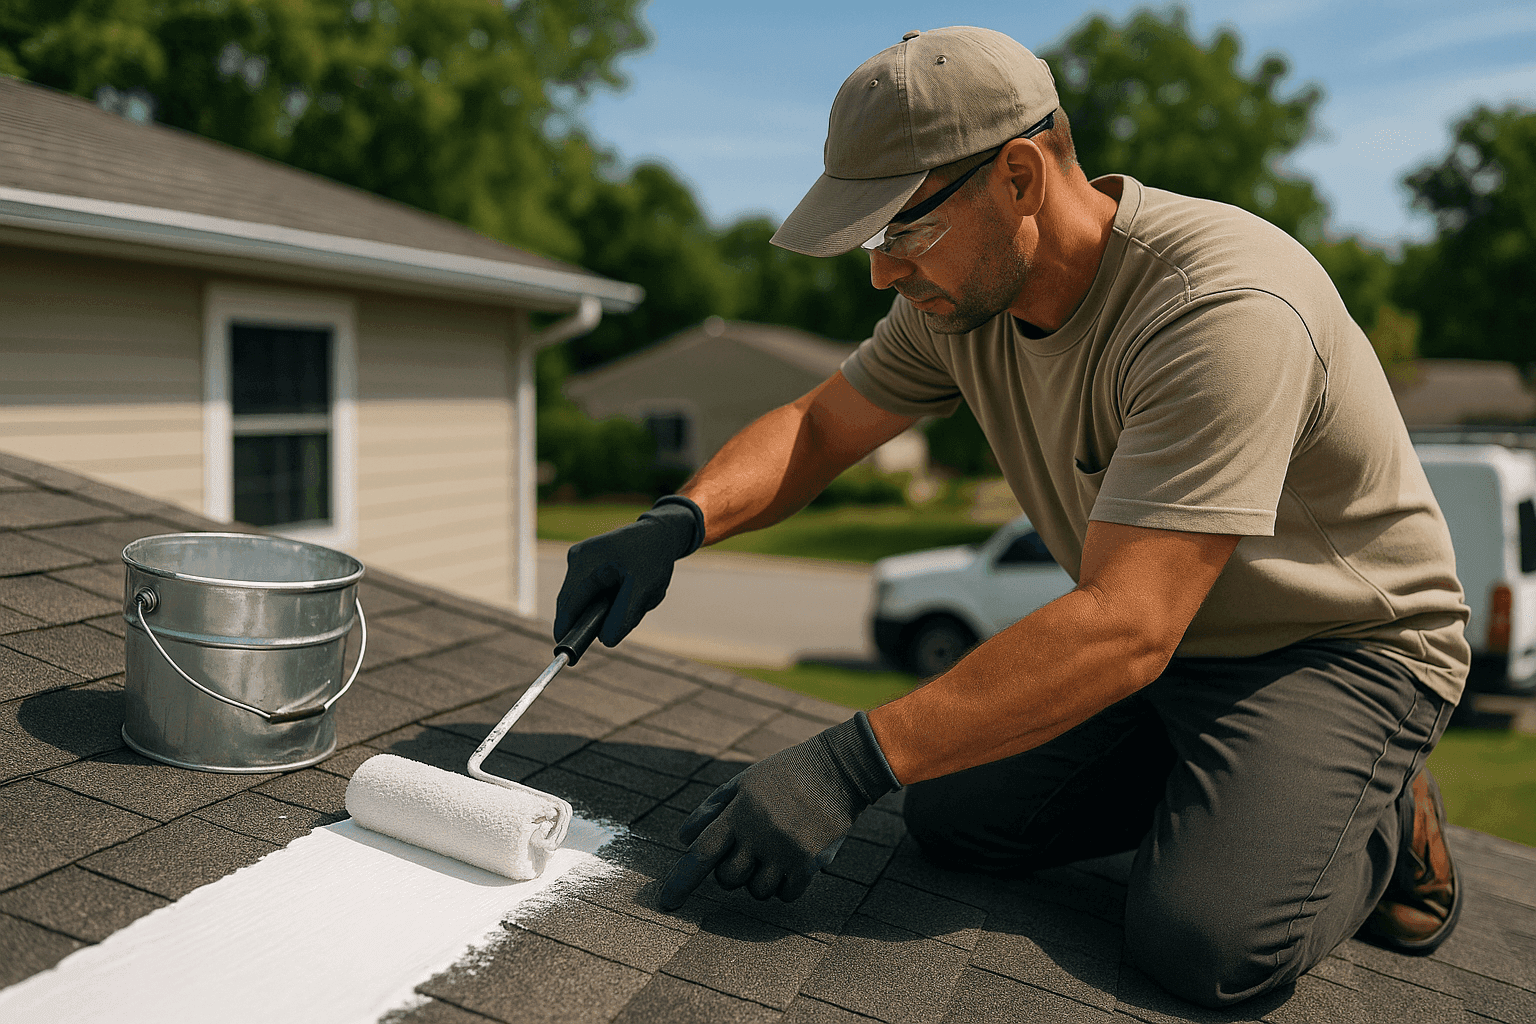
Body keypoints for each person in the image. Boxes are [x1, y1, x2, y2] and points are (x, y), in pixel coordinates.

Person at [553, 26, 1469, 1008]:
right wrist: (674, 521)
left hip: (1341, 646)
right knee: (952, 818)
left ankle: (1382, 805)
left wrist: (839, 767)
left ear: (1021, 178)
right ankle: (1239, 785)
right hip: (1171, 640)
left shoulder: (1220, 309)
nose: (881, 273)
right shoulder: (963, 302)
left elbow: (1127, 621)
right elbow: (819, 426)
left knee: (1204, 942)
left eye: (900, 230)